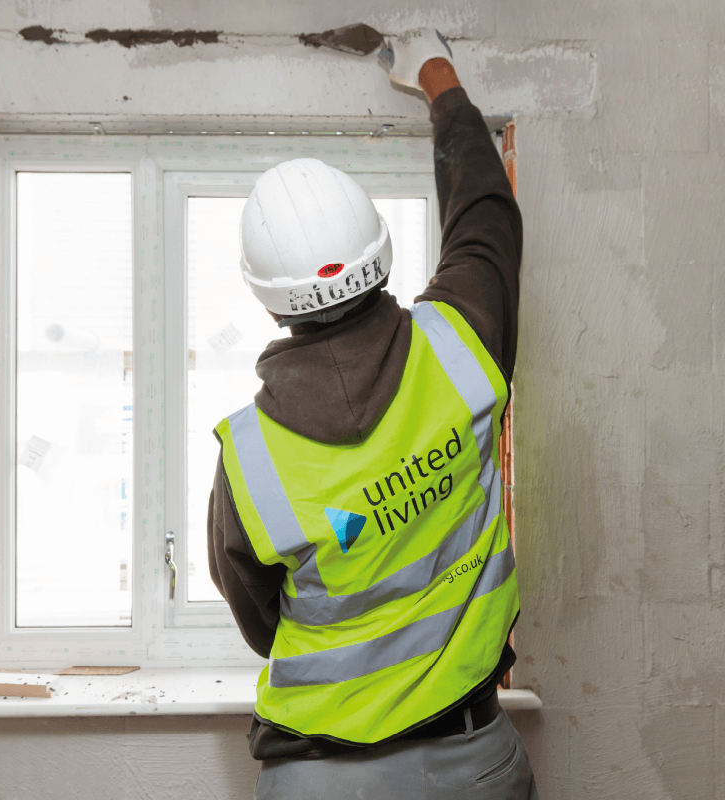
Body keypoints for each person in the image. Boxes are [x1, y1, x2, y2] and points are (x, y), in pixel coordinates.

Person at [207, 28, 538, 800]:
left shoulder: (249, 458)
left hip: (316, 778)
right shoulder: (462, 345)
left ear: (266, 296)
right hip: (473, 759)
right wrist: (438, 78)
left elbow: (262, 622)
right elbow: (486, 216)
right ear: (381, 252)